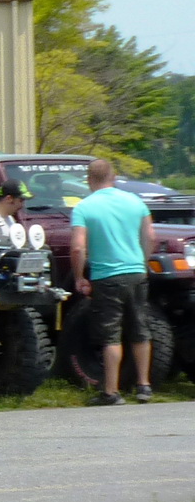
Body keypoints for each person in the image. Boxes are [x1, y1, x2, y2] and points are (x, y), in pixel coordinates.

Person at [70, 156, 157, 404]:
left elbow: (77, 248)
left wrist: (79, 277)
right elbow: (150, 236)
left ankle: (111, 391)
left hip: (106, 276)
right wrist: (142, 262)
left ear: (89, 181)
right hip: (136, 272)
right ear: (113, 177)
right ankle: (144, 385)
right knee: (140, 329)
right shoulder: (135, 201)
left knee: (111, 335)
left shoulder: (84, 208)